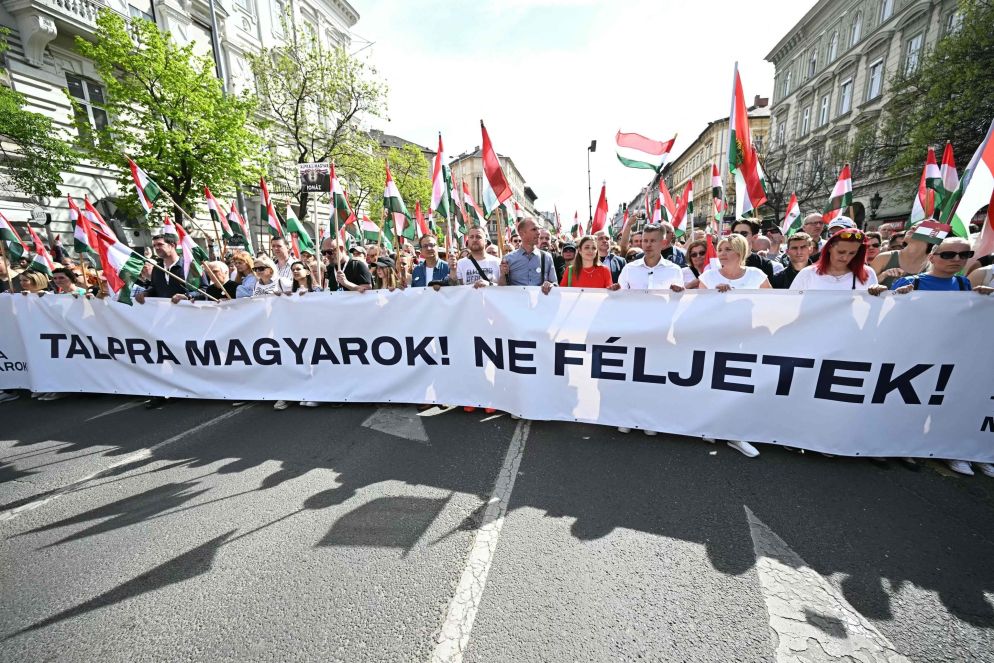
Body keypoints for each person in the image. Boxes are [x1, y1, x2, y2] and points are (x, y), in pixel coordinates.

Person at [890, 236, 994, 477]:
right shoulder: (911, 282)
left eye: (964, 255)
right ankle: (896, 444)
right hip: (910, 352)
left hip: (946, 352)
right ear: (932, 257)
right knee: (904, 400)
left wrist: (983, 301)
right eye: (948, 254)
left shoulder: (963, 285)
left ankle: (922, 444)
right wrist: (896, 295)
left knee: (931, 402)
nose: (956, 259)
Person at [790, 228, 887, 293]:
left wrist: (879, 293)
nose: (845, 258)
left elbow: (873, 309)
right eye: (841, 252)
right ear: (829, 248)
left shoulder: (867, 273)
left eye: (852, 253)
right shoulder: (808, 274)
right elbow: (790, 304)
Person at [617, 224, 684, 292]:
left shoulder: (675, 270)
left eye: (653, 241)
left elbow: (678, 300)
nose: (648, 245)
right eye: (645, 241)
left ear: (663, 243)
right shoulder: (628, 269)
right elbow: (619, 297)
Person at [500, 218, 557, 294]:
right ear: (522, 233)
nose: (538, 233)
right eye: (534, 229)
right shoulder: (508, 259)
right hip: (516, 304)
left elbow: (555, 285)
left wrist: (551, 285)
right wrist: (503, 275)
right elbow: (501, 290)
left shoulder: (547, 257)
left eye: (538, 229)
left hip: (540, 304)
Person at [698, 234, 771, 291]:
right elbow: (700, 306)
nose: (722, 253)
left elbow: (771, 301)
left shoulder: (756, 274)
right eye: (719, 250)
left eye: (728, 249)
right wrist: (714, 293)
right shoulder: (707, 277)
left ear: (740, 252)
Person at [870, 224, 932, 289]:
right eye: (914, 225)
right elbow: (863, 288)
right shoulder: (883, 258)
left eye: (921, 227)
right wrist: (883, 276)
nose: (913, 227)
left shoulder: (933, 267)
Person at [136, 234, 187, 303]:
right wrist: (146, 293)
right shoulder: (157, 268)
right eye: (154, 245)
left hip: (187, 311)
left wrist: (187, 296)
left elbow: (203, 290)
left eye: (160, 244)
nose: (156, 248)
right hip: (164, 312)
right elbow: (154, 288)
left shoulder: (188, 266)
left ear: (172, 245)